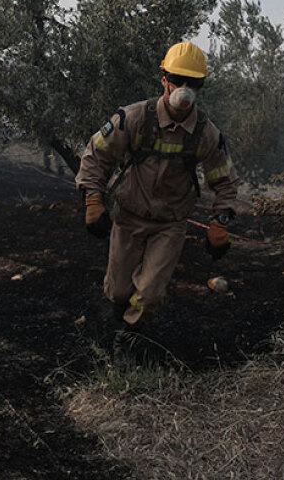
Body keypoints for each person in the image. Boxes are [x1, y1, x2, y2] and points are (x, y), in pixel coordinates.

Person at [75, 41, 238, 351]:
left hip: (170, 224)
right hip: (128, 216)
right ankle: (117, 321)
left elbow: (225, 182)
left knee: (149, 294)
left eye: (193, 83)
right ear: (164, 79)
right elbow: (96, 156)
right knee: (118, 291)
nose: (184, 89)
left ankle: (129, 340)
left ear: (201, 86)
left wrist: (220, 222)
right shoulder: (135, 118)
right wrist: (93, 200)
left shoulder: (207, 135)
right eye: (178, 80)